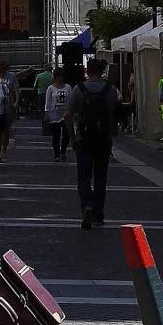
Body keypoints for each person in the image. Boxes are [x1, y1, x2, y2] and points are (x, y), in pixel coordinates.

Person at [70, 55, 117, 229]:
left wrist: (72, 137)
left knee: (83, 176)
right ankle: (98, 215)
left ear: (87, 71)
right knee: (100, 177)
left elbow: (67, 114)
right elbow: (113, 111)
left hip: (83, 138)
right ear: (101, 70)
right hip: (104, 139)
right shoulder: (110, 89)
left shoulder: (78, 89)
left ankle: (86, 206)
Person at [43, 65, 73, 160]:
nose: (61, 77)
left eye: (62, 75)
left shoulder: (68, 87)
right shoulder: (50, 89)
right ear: (55, 76)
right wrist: (46, 113)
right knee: (56, 135)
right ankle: (56, 154)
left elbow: (71, 100)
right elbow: (48, 102)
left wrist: (72, 111)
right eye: (59, 75)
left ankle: (63, 152)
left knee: (66, 134)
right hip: (54, 114)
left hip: (65, 114)